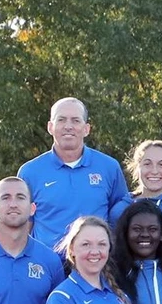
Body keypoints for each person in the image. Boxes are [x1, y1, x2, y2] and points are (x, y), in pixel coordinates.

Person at [17, 97, 130, 252]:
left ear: (86, 129)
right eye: (61, 120)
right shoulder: (30, 172)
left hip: (94, 260)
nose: (68, 126)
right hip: (47, 263)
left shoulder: (109, 167)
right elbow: (22, 226)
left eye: (76, 121)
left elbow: (121, 218)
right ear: (50, 127)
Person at [112, 140, 162, 276]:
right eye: (147, 164)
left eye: (161, 164)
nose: (154, 171)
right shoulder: (120, 210)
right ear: (137, 168)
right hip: (134, 287)